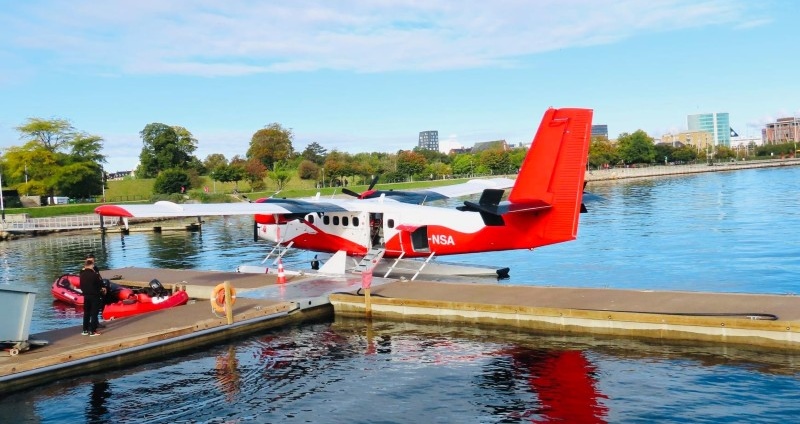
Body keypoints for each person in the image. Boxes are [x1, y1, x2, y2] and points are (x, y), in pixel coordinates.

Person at [80, 257, 104, 336]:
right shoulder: (94, 275)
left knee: (86, 313)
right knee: (94, 313)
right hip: (94, 295)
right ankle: (93, 331)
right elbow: (100, 284)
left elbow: (81, 285)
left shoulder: (82, 274)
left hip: (86, 296)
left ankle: (85, 330)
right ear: (91, 266)